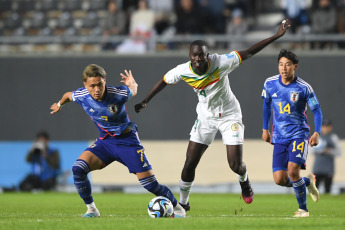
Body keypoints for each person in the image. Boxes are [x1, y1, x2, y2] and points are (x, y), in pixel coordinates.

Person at [134, 19, 291, 211]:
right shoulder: (183, 70)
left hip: (229, 116)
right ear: (189, 56)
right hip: (205, 118)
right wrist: (145, 100)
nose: (198, 58)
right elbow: (164, 80)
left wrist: (276, 36)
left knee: (235, 164)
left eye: (202, 55)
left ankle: (244, 180)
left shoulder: (221, 62)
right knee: (190, 161)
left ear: (208, 55)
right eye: (194, 55)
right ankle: (183, 202)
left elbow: (249, 51)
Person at [50, 64, 186, 218]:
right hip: (105, 143)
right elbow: (68, 95)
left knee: (150, 184)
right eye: (92, 86)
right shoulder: (81, 95)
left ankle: (178, 208)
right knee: (78, 169)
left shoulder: (118, 93)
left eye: (100, 84)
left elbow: (133, 91)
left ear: (104, 81)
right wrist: (59, 104)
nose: (97, 89)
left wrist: (132, 84)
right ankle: (92, 210)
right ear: (85, 85)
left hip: (128, 142)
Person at [261, 49, 322, 217]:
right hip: (279, 136)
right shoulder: (269, 83)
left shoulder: (304, 88)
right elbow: (266, 105)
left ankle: (303, 210)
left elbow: (317, 111)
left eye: (288, 65)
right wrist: (265, 129)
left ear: (295, 67)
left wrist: (316, 133)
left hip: (299, 134)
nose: (284, 68)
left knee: (293, 170)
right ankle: (308, 182)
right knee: (279, 179)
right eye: (281, 64)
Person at [312, 118, 341, 194]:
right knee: (315, 188)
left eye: (327, 126)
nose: (326, 128)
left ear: (330, 127)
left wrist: (328, 151)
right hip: (317, 168)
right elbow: (310, 150)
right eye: (324, 126)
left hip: (328, 168)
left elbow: (339, 152)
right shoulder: (316, 137)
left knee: (327, 189)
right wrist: (317, 149)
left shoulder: (333, 137)